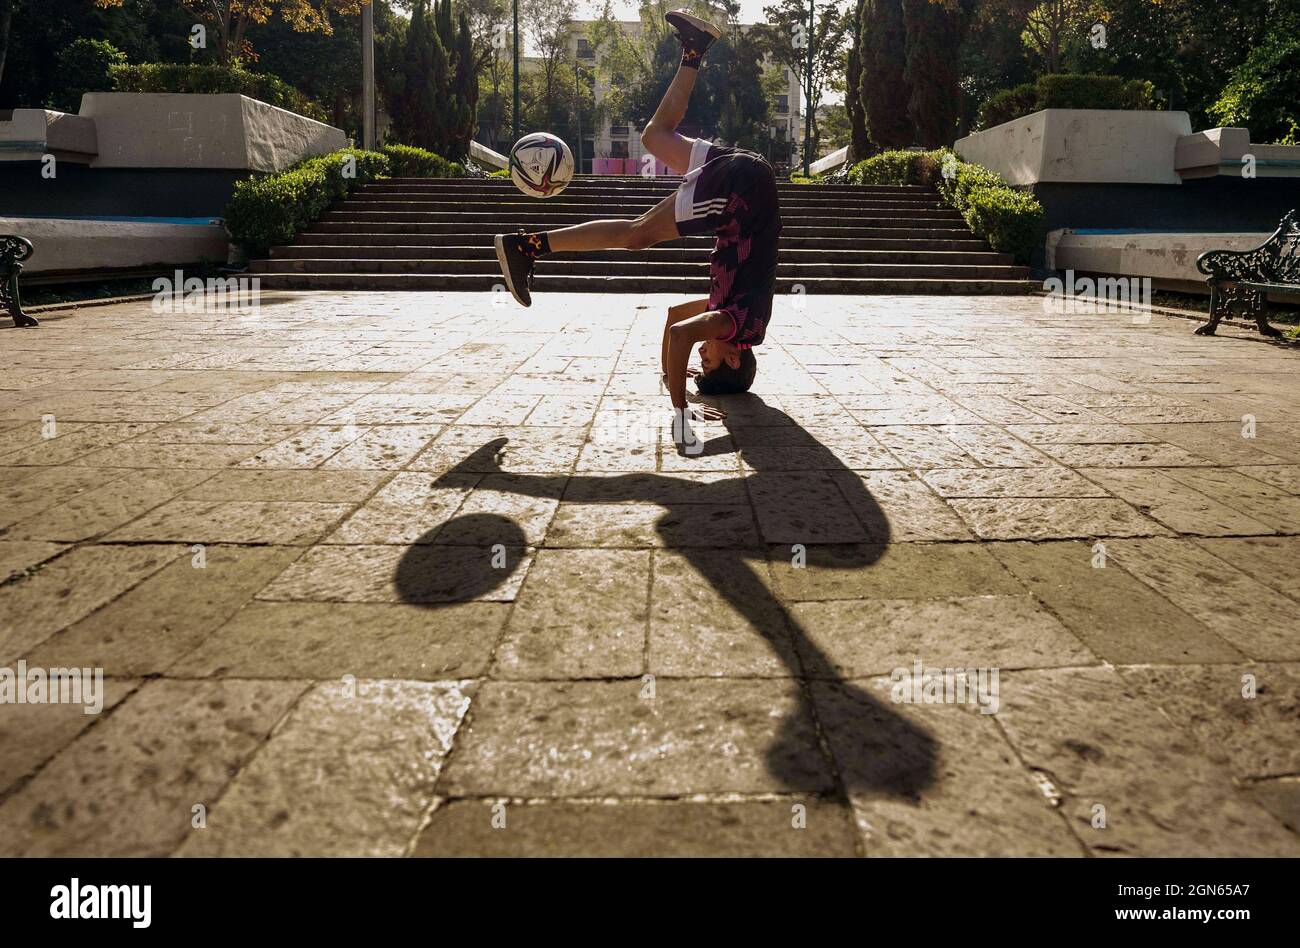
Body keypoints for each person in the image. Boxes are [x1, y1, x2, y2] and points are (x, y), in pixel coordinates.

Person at [492, 10, 782, 452]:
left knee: (654, 136)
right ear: (735, 353)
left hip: (749, 178)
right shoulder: (737, 325)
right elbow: (685, 334)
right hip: (741, 196)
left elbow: (673, 321)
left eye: (698, 364)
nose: (701, 357)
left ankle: (694, 49)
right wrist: (680, 408)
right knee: (637, 234)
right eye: (709, 361)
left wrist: (670, 372)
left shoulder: (734, 310)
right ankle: (526, 246)